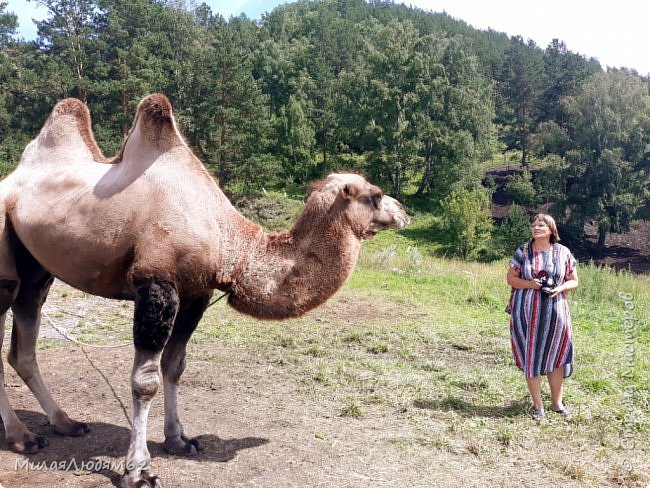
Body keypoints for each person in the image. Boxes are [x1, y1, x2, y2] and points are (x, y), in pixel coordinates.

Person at [506, 213, 579, 420]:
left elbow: (574, 280)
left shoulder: (562, 252)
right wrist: (530, 284)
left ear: (551, 229)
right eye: (534, 225)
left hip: (556, 312)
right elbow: (510, 278)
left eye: (541, 225)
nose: (536, 227)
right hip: (527, 312)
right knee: (532, 356)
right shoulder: (524, 251)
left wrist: (561, 287)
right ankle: (538, 406)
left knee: (556, 355)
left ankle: (557, 404)